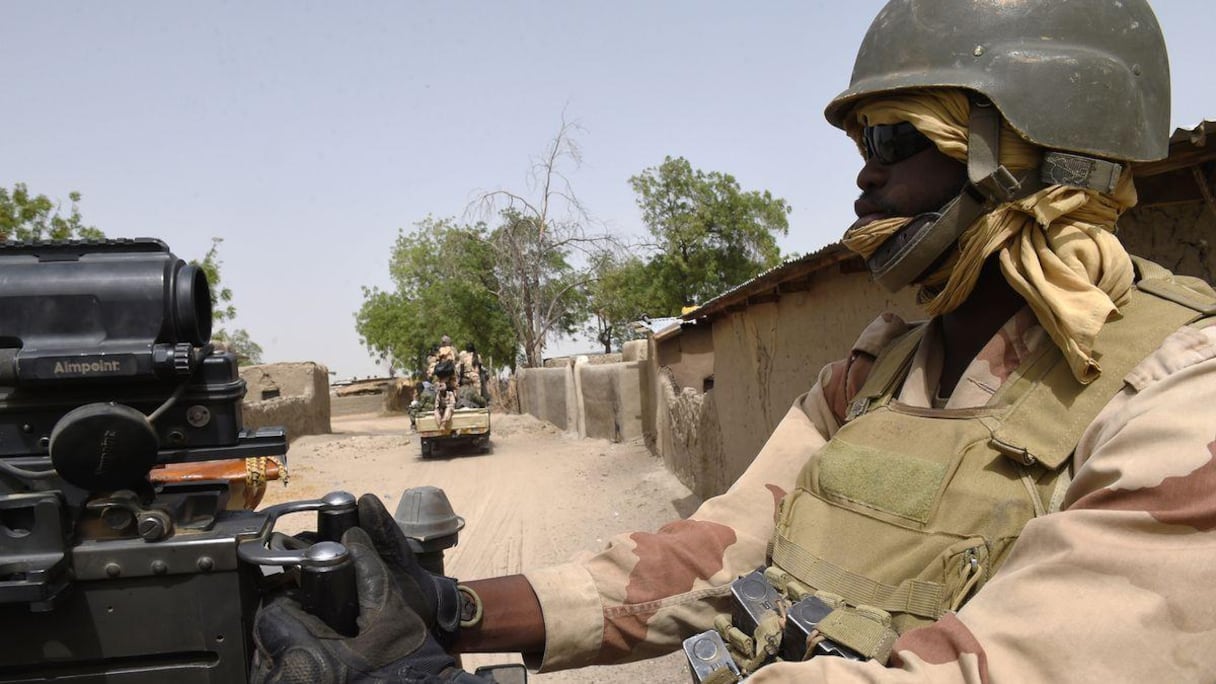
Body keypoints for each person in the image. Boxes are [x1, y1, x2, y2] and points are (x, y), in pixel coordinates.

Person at [254, 1, 1216, 681]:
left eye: (893, 142)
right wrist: (447, 610)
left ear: (1027, 158)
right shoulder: (880, 368)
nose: (863, 183)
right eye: (859, 150)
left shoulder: (1179, 394)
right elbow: (716, 557)